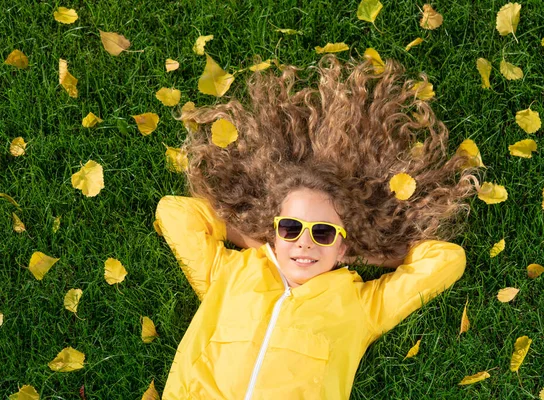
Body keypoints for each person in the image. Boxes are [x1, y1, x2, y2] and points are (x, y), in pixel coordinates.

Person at [155, 54, 482, 399]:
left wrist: (366, 258)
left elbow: (447, 260)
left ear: (342, 244)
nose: (304, 243)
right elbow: (175, 213)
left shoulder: (358, 306)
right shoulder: (229, 273)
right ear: (275, 230)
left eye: (322, 233)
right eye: (291, 228)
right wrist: (259, 243)